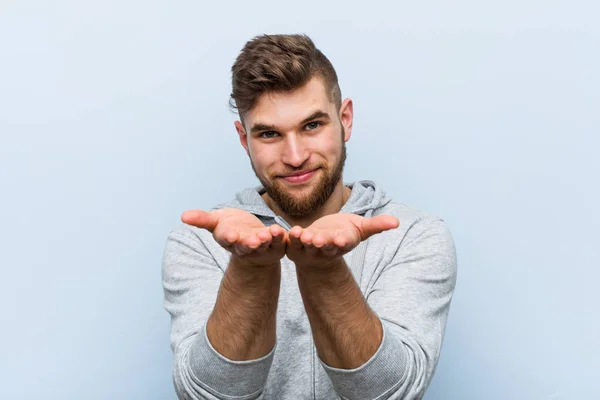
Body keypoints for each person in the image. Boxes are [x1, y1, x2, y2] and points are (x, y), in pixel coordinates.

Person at [162, 33, 457, 400]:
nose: (295, 155)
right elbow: (206, 395)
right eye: (269, 133)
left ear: (345, 119)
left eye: (312, 125)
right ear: (244, 139)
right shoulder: (200, 241)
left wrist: (324, 270)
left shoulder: (414, 235)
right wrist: (250, 270)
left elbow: (391, 394)